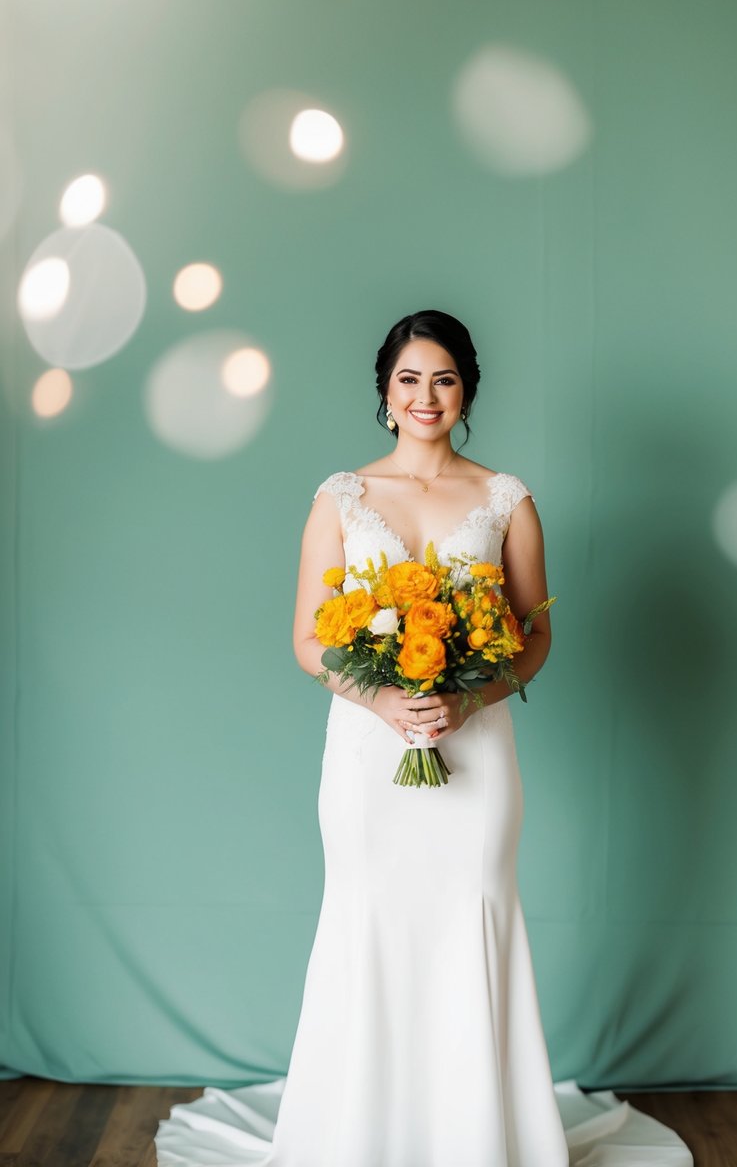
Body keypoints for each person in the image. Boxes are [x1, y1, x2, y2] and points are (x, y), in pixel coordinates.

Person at [155, 309, 693, 1166]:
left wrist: (473, 701)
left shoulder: (505, 499)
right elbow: (303, 638)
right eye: (409, 379)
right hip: (369, 752)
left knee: (470, 916)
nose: (425, 396)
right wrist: (378, 704)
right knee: (369, 919)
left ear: (466, 388)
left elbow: (536, 634)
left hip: (474, 750)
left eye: (442, 378)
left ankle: (479, 1137)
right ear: (384, 390)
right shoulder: (340, 497)